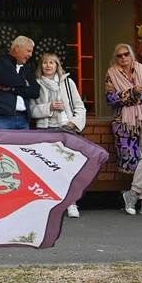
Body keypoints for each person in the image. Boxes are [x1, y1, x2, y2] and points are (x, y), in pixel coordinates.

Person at [105, 43, 142, 217]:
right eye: (119, 56)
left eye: (126, 54)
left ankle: (132, 194)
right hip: (124, 123)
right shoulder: (111, 74)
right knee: (137, 159)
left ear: (131, 55)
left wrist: (139, 95)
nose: (123, 58)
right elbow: (111, 99)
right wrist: (133, 92)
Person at [29, 52, 87, 217]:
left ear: (57, 66)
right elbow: (31, 110)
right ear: (41, 66)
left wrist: (73, 122)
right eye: (45, 63)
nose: (48, 65)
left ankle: (71, 203)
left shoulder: (68, 83)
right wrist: (49, 107)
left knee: (67, 168)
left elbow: (80, 107)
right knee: (46, 169)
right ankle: (49, 205)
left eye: (52, 63)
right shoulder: (36, 84)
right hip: (45, 130)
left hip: (65, 129)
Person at [0, 36, 39, 130]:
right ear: (17, 48)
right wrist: (24, 83)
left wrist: (12, 89)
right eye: (28, 51)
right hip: (0, 117)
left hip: (23, 118)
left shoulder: (27, 69)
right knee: (0, 145)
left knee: (22, 145)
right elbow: (7, 80)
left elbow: (35, 92)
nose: (30, 55)